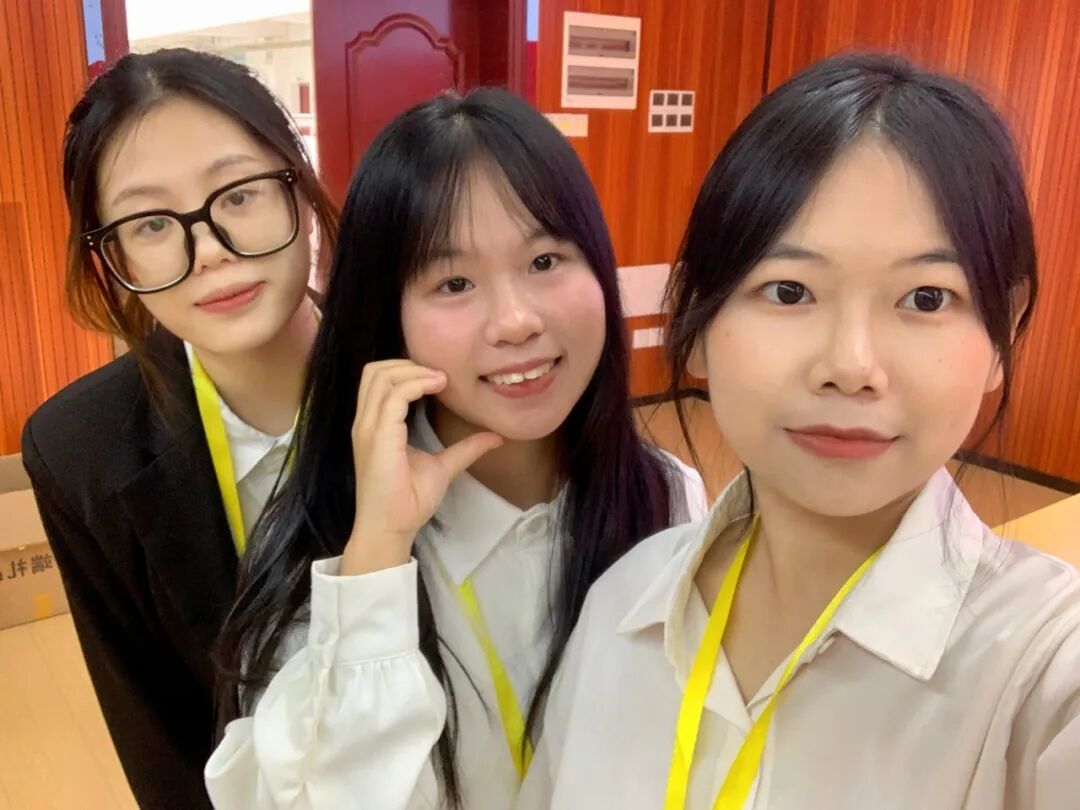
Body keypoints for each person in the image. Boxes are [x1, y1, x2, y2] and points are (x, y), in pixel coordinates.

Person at [519, 52, 1079, 809]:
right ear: (696, 321)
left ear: (1002, 333)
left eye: (925, 297)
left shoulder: (1047, 672)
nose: (851, 367)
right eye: (789, 290)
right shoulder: (624, 601)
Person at [205, 88, 707, 809]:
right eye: (454, 282)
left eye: (545, 260)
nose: (516, 321)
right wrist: (377, 557)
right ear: (388, 318)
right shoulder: (330, 540)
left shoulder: (668, 496)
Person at [21, 48, 337, 809]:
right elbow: (154, 729)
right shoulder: (80, 448)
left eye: (239, 194)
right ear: (113, 257)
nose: (211, 252)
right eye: (152, 223)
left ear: (299, 189)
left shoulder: (431, 376)